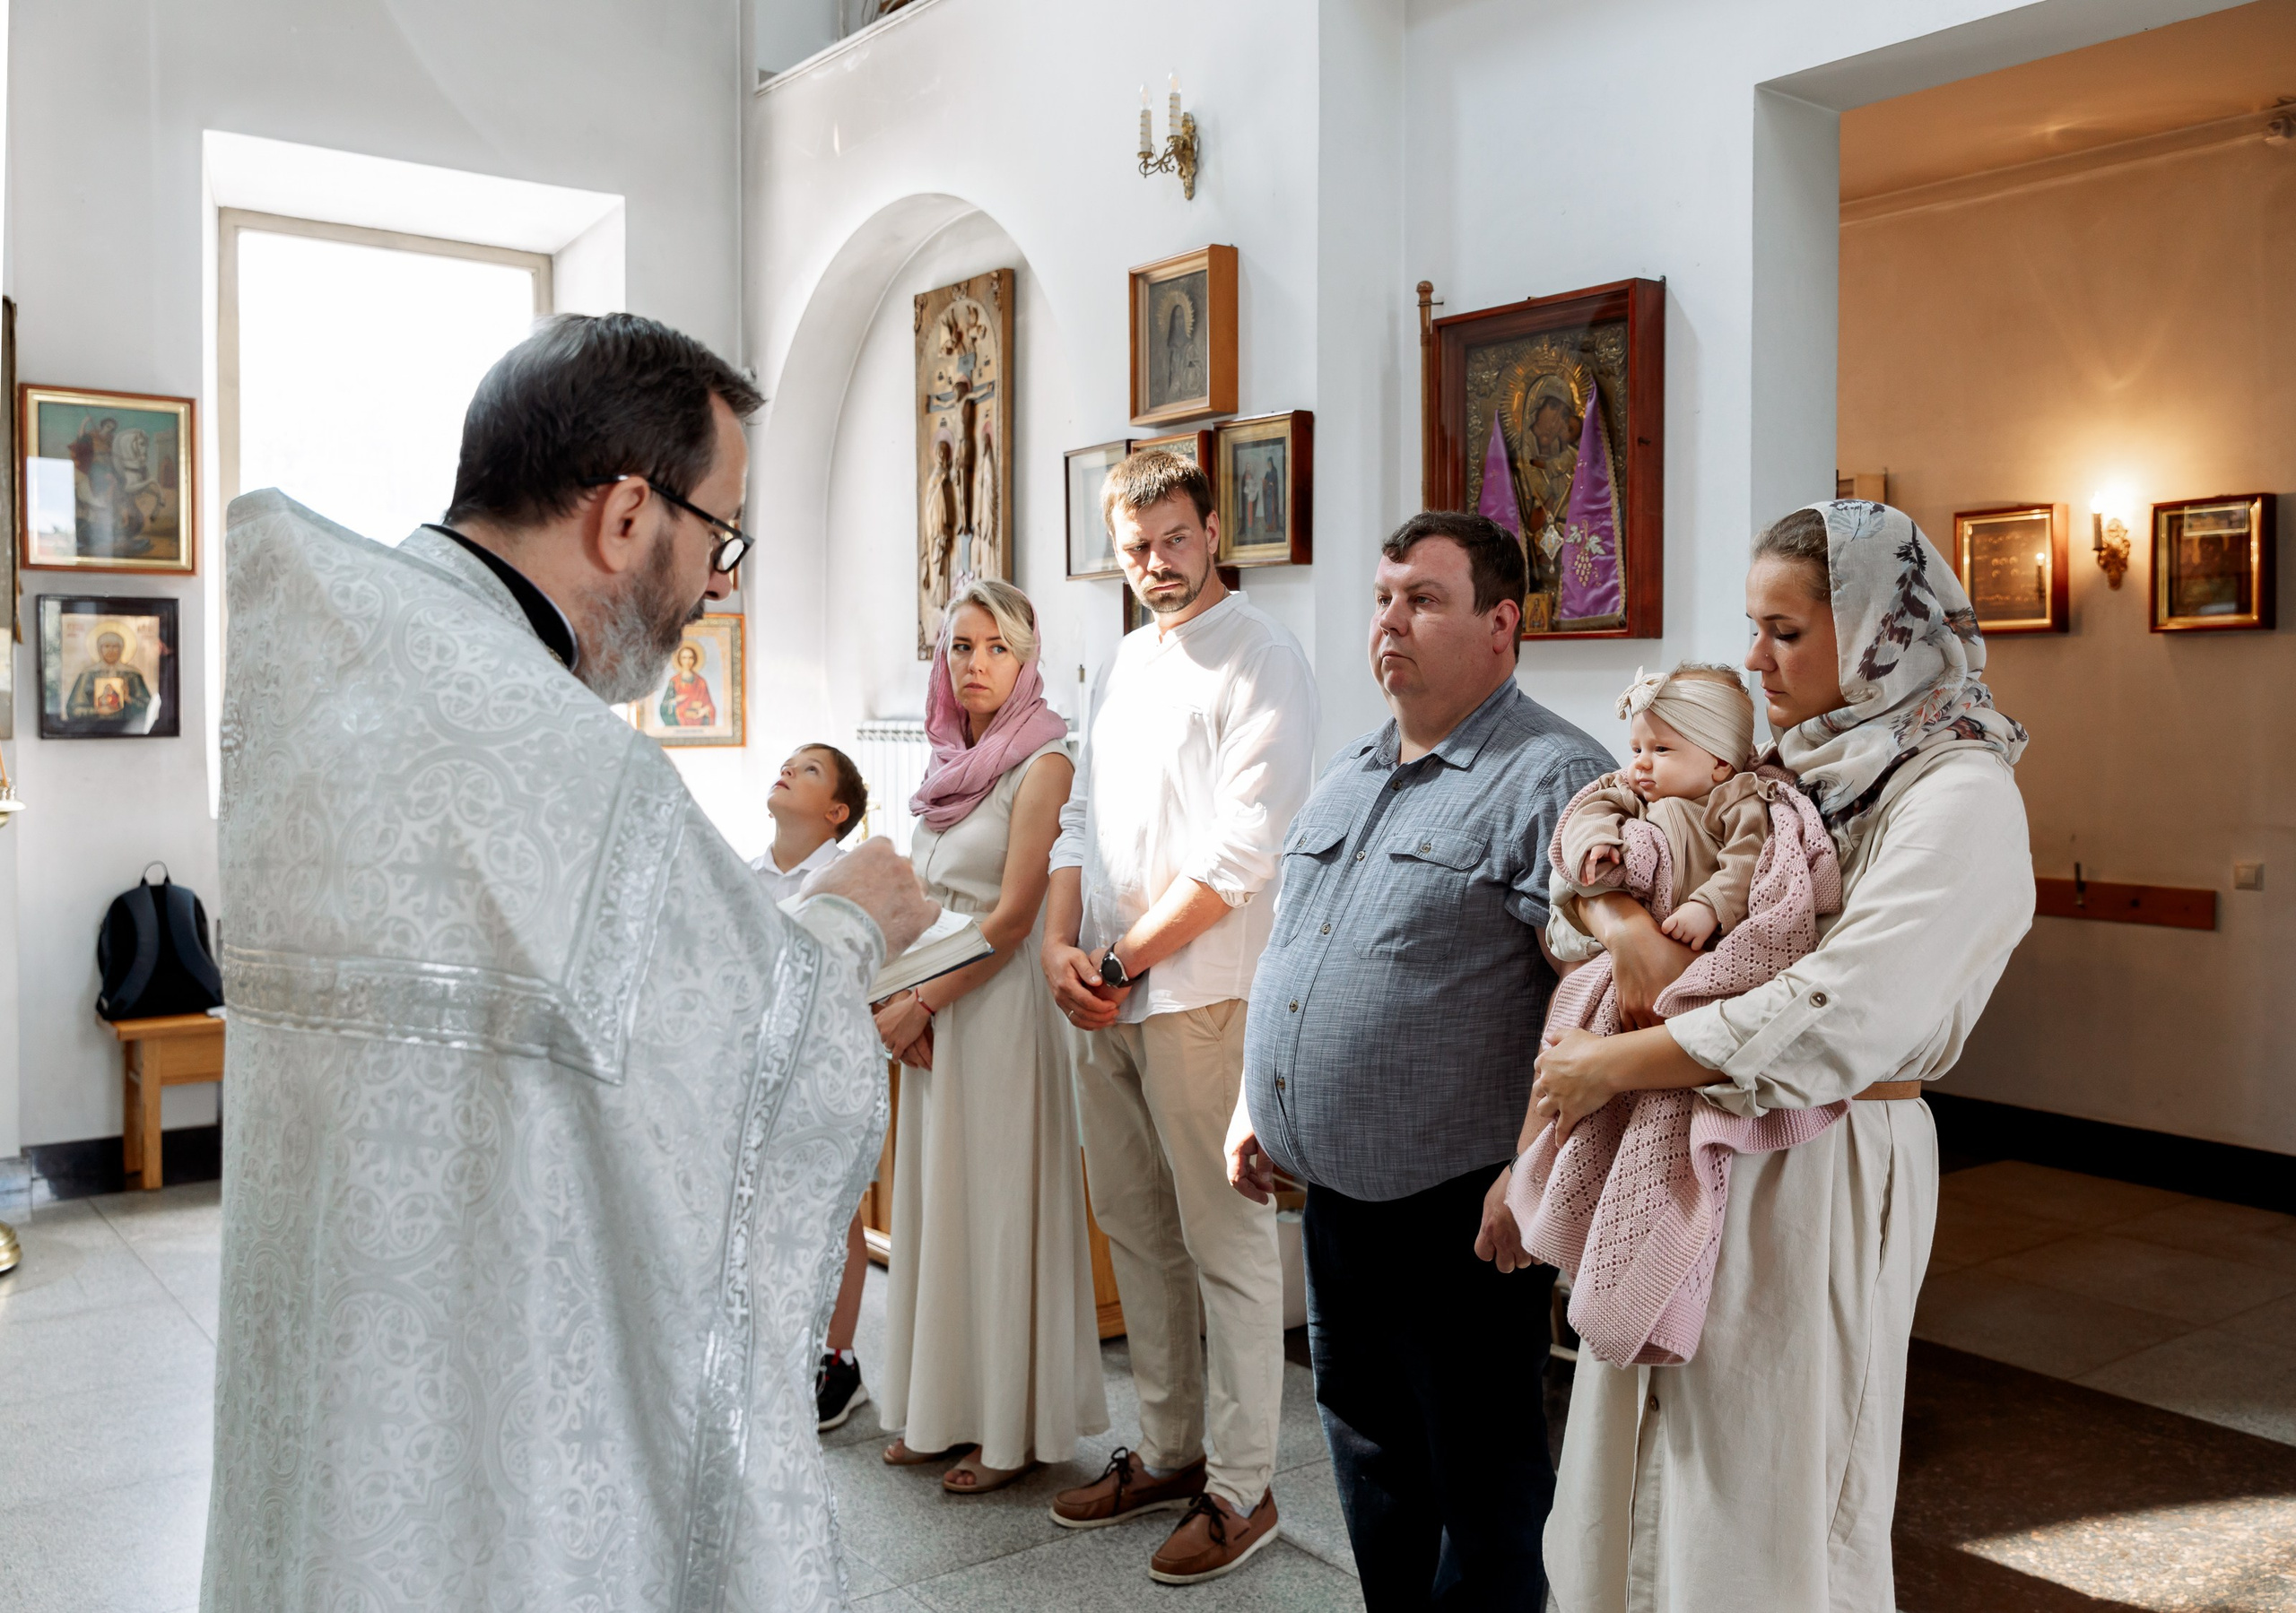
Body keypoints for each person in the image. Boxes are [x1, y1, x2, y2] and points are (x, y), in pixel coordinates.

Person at [205, 312, 935, 1612]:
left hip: (334, 1421)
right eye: (721, 535)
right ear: (627, 514)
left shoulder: (338, 690)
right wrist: (848, 924)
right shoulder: (563, 758)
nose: (718, 583)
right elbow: (747, 1066)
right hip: (494, 1464)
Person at [1510, 500, 2032, 1612]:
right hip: (1682, 1141)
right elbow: (1588, 880)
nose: (1754, 657)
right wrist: (1624, 924)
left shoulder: (1960, 792)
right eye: (1753, 627)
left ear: (1881, 631)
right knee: (1643, 1459)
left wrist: (1615, 1064)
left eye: (1785, 631)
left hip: (1822, 1161)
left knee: (1769, 1481)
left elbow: (1842, 1010)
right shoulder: (1780, 771)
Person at [1225, 510, 1610, 1609]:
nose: (1390, 621)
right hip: (1337, 1200)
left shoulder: (1551, 776)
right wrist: (1257, 1099)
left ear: (1501, 623)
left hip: (1463, 1207)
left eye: (1424, 599)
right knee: (1369, 1456)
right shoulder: (1353, 770)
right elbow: (1296, 947)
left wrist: (1532, 1169)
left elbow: (1594, 1000)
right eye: (1383, 598)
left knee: (1482, 1483)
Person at [1042, 448, 1317, 1585]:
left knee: (1223, 1242)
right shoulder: (1121, 659)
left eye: (1173, 538)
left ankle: (1241, 1487)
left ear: (1213, 530)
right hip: (1103, 989)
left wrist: (1118, 959)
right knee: (1135, 1227)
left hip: (1199, 989)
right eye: (1135, 547)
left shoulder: (1261, 654)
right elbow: (1078, 819)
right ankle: (1166, 1448)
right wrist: (1060, 943)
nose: (1156, 562)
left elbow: (1243, 850)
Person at [873, 578, 1109, 1494]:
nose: (975, 663)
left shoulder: (1044, 762)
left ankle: (1008, 1433)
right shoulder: (945, 761)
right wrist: (899, 998)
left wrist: (919, 1002)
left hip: (999, 1011)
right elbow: (921, 899)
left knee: (999, 1211)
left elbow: (1011, 918)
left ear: (1025, 658)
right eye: (961, 646)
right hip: (936, 1006)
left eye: (996, 647)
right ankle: (940, 1411)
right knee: (941, 1212)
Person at [748, 742, 878, 1432]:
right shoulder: (746, 876)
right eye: (788, 763)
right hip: (760, 1065)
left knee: (833, 1213)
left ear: (835, 812)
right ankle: (777, 1350)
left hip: (825, 1065)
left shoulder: (846, 878)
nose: (788, 769)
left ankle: (838, 1358)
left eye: (810, 769)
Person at [1550, 663, 1767, 955]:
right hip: (1639, 934)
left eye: (1661, 749)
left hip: (1705, 943)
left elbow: (1746, 860)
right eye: (1637, 749)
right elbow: (1592, 809)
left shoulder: (1737, 802)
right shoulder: (1634, 793)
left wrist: (1709, 906)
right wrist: (1597, 840)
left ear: (1720, 763)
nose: (1641, 762)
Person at [65, 629, 152, 728]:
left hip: (126, 727)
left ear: (121, 649)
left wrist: (128, 698)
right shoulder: (88, 674)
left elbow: (149, 707)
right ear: (99, 649)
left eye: (115, 647)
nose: (111, 650)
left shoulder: (132, 674)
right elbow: (73, 709)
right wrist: (97, 711)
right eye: (106, 646)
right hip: (94, 728)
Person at [661, 641, 717, 726]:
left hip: (698, 721)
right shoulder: (674, 681)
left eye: (690, 658)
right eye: (684, 658)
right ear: (679, 660)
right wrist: (675, 700)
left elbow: (710, 706)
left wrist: (704, 710)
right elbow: (664, 706)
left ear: (694, 660)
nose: (687, 661)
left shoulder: (701, 682)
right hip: (678, 721)